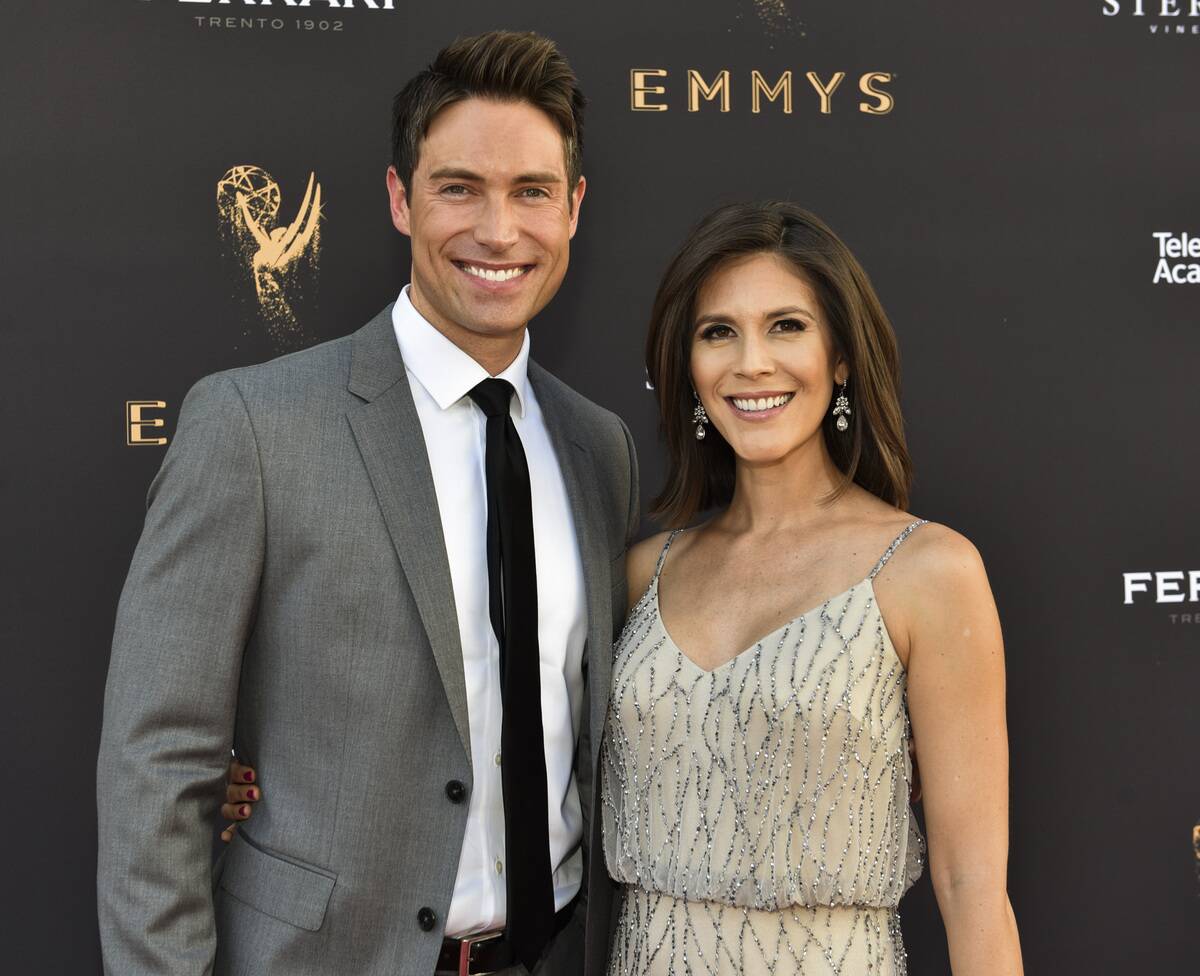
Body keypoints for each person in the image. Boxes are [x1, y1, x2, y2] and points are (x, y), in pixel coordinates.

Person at [227, 200, 1025, 975]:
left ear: (840, 357)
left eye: (787, 326)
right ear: (689, 367)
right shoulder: (643, 571)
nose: (752, 362)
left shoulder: (928, 574)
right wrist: (275, 778)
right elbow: (501, 721)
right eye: (718, 332)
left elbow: (973, 891)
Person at [97, 31, 636, 976]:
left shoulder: (600, 448)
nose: (498, 231)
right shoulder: (254, 427)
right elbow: (159, 758)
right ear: (400, 197)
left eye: (532, 192)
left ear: (574, 208)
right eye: (459, 187)